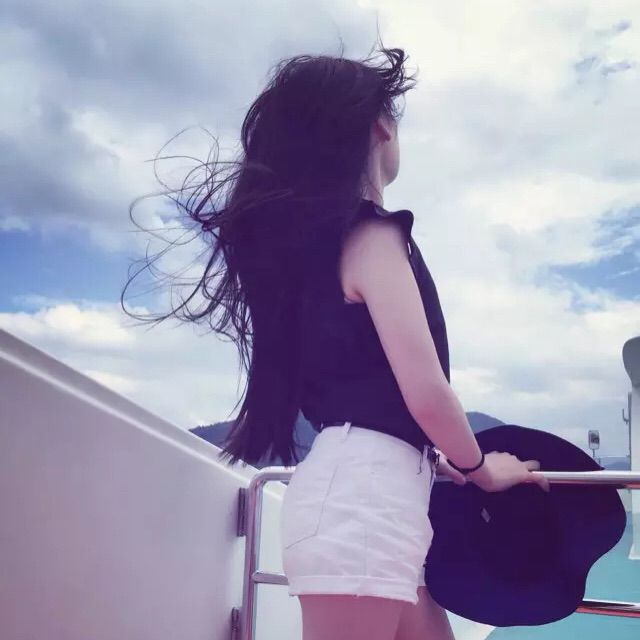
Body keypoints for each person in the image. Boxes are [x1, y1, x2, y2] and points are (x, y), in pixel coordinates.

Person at [122, 37, 550, 640]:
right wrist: (480, 468)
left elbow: (371, 392)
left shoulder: (313, 257)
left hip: (371, 498)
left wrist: (434, 457)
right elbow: (427, 392)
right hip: (365, 504)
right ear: (380, 127)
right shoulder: (372, 237)